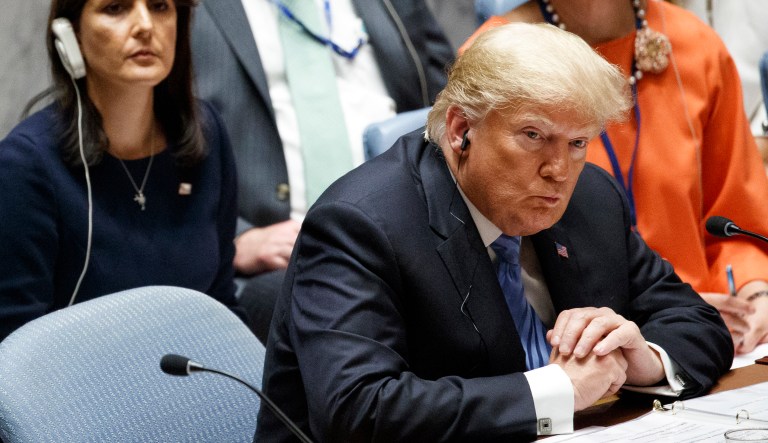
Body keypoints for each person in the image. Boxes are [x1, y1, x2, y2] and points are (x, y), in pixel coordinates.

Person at [256, 23, 732, 442]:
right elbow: (357, 410)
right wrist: (557, 391)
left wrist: (640, 359)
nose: (558, 170)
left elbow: (697, 322)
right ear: (461, 129)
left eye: (577, 142)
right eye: (533, 136)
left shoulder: (590, 199)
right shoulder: (361, 224)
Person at [463, 0, 768, 354]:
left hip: (709, 336)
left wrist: (754, 291)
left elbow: (736, 219)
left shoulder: (696, 45)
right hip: (577, 347)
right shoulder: (493, 57)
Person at [190, 0, 455, 343]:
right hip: (283, 247)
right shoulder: (184, 12)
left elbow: (451, 95)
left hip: (415, 220)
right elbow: (156, 132)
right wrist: (235, 237)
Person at [0, 0, 243, 341]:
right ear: (70, 34)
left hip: (192, 368)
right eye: (115, 8)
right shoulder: (26, 165)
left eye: (160, 6)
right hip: (75, 375)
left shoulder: (207, 135)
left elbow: (223, 309)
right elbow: (13, 345)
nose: (145, 25)